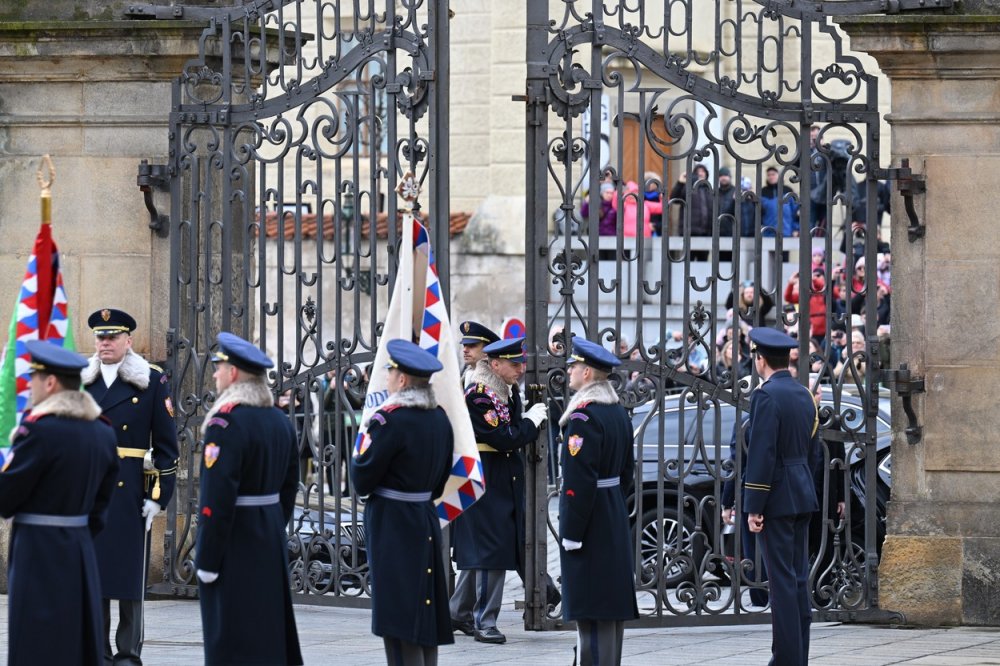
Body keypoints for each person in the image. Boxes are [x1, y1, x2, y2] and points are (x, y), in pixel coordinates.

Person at [0, 341, 119, 666]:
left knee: (36, 641)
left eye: (33, 378)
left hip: (38, 552)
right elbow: (102, 504)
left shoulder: (39, 431)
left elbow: (5, 499)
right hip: (80, 548)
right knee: (76, 639)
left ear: (50, 383)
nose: (29, 386)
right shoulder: (102, 432)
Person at [196, 332, 302, 665]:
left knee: (232, 635)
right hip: (268, 537)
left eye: (219, 367)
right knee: (266, 630)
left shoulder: (225, 422)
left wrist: (208, 559)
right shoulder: (278, 420)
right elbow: (290, 485)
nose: (215, 374)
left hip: (235, 544)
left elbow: (217, 497)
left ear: (235, 373)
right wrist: (271, 524)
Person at [83, 308, 179, 666]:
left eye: (112, 337)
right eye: (99, 337)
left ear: (128, 341)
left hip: (129, 492)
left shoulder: (151, 381)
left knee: (129, 577)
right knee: (93, 577)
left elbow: (168, 447)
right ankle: (97, 651)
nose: (104, 343)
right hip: (89, 492)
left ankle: (127, 653)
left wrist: (158, 497)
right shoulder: (81, 381)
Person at [351, 339, 455, 665]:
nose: (386, 378)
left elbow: (362, 479)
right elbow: (440, 482)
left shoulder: (389, 421)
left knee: (398, 617)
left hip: (393, 524)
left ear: (402, 380)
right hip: (423, 515)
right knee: (423, 610)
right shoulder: (440, 418)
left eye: (391, 371)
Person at [449, 336, 548, 644]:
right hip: (484, 477)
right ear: (494, 364)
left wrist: (525, 417)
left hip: (502, 478)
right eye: (514, 363)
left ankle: (456, 613)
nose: (521, 369)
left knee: (487, 550)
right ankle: (485, 621)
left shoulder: (506, 391)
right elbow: (502, 437)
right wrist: (530, 424)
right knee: (491, 552)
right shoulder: (480, 396)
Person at [558, 338, 637, 665]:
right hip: (612, 511)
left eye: (573, 366)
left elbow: (578, 481)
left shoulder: (583, 418)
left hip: (590, 521)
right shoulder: (617, 412)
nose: (570, 371)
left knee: (591, 605)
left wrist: (572, 531)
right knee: (608, 604)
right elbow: (627, 473)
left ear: (587, 373)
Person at [743, 328, 819, 666]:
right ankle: (798, 655)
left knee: (782, 583)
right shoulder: (804, 393)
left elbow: (762, 453)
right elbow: (814, 450)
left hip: (777, 497)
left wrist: (754, 506)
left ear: (760, 359)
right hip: (802, 493)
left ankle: (786, 659)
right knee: (798, 579)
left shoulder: (766, 396)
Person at [459, 320, 500, 386]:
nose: (465, 350)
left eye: (472, 345)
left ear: (486, 350)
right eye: (464, 345)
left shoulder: (493, 383)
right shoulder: (466, 376)